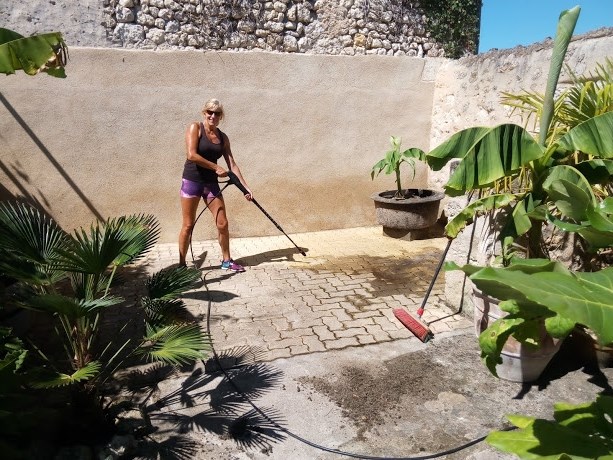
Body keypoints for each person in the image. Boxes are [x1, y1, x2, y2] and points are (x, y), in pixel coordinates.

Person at [178, 98, 252, 271]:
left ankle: (227, 260)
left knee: (223, 223)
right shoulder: (195, 128)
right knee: (188, 225)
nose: (212, 115)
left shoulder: (222, 137)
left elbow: (232, 164)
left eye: (216, 113)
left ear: (221, 116)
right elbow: (191, 155)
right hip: (192, 182)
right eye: (209, 112)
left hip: (211, 184)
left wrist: (245, 187)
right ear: (204, 113)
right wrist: (215, 166)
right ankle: (181, 266)